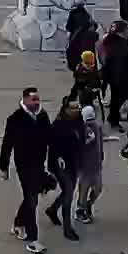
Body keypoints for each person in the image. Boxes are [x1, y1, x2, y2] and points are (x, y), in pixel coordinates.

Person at [0, 87, 55, 254]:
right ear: (24, 99)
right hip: (24, 165)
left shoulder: (43, 116)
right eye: (33, 99)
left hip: (39, 164)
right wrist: (4, 166)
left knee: (32, 196)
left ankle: (18, 222)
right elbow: (7, 144)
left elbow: (49, 139)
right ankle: (33, 239)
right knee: (32, 200)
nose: (37, 102)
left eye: (38, 99)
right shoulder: (15, 119)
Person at [45, 96, 84, 242]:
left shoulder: (79, 121)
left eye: (77, 107)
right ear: (66, 109)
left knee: (69, 191)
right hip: (61, 165)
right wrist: (58, 158)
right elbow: (52, 144)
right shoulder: (58, 125)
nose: (76, 110)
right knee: (68, 194)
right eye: (73, 108)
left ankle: (53, 209)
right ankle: (67, 228)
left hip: (74, 163)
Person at [101, 23, 128, 129]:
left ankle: (119, 117)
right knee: (121, 98)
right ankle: (115, 119)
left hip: (117, 77)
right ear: (121, 31)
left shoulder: (113, 42)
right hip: (123, 78)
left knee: (120, 98)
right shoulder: (122, 45)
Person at [74, 104, 106, 224]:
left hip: (96, 165)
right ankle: (80, 210)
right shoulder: (81, 129)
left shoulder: (97, 127)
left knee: (98, 188)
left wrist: (101, 155)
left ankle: (88, 204)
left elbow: (100, 142)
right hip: (85, 167)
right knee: (83, 190)